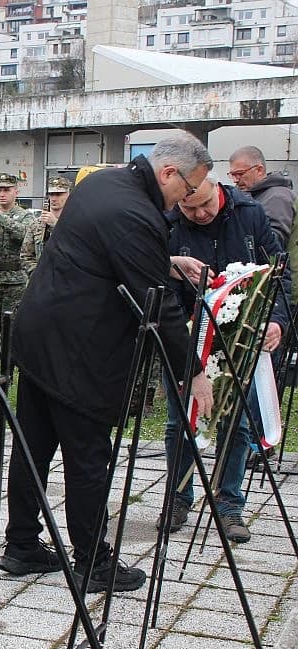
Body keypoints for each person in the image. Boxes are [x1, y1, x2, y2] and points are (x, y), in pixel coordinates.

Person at [0, 131, 215, 593]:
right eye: (189, 187)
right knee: (88, 454)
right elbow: (157, 306)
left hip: (41, 332)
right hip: (80, 349)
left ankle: (20, 546)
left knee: (32, 443)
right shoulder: (136, 213)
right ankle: (94, 562)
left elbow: (101, 253)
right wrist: (193, 371)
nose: (186, 198)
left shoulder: (102, 183)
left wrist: (167, 260)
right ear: (168, 172)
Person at [162, 172, 289, 543]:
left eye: (206, 204)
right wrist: (180, 331)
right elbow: (161, 286)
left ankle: (229, 502)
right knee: (180, 421)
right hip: (187, 336)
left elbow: (278, 273)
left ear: (218, 191)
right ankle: (178, 497)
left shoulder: (250, 213)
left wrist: (277, 320)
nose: (200, 213)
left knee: (237, 423)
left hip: (241, 334)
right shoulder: (168, 222)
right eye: (191, 207)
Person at [0, 173, 37, 362]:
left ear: (16, 191)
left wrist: (2, 218)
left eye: (7, 190)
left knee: (10, 326)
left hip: (14, 280)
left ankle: (8, 367)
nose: (2, 194)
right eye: (0, 190)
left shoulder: (25, 216)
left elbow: (25, 236)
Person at [228, 145, 295, 247]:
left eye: (240, 174)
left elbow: (274, 241)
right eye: (232, 175)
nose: (235, 180)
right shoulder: (250, 196)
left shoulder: (278, 197)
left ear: (259, 170)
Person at [38, 176, 72, 243]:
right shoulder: (37, 223)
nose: (53, 199)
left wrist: (55, 224)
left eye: (58, 194)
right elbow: (26, 251)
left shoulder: (75, 222)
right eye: (51, 194)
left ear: (68, 194)